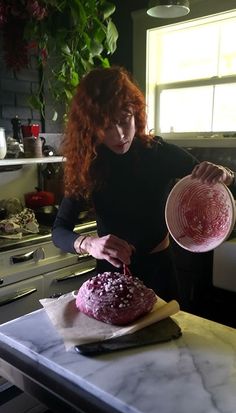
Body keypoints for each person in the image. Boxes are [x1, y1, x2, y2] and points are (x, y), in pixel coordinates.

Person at [52, 66, 236, 302]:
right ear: (91, 127)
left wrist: (225, 174)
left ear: (135, 113)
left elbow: (218, 183)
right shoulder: (88, 163)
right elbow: (59, 230)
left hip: (160, 273)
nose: (120, 135)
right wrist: (89, 243)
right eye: (107, 126)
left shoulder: (157, 152)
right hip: (111, 276)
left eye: (124, 119)